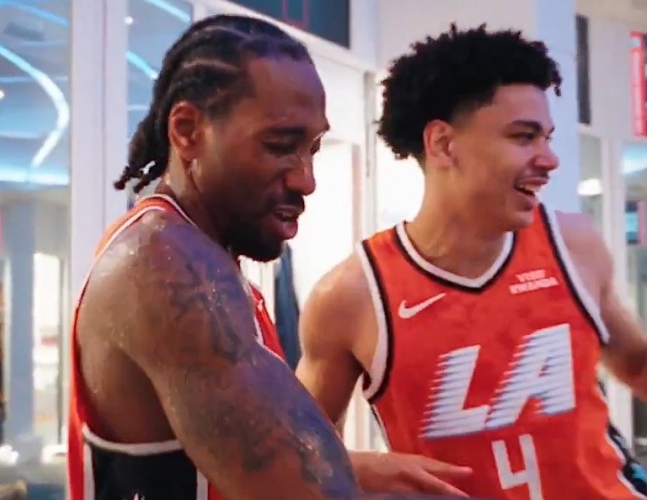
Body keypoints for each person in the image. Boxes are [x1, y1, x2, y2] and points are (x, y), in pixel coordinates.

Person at [66, 13, 476, 500]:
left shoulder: (197, 254)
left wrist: (359, 468)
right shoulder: (166, 265)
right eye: (280, 146)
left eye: (313, 148)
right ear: (188, 131)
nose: (306, 179)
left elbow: (234, 451)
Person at [296, 23, 647, 499]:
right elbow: (295, 454)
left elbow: (636, 364)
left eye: (547, 138)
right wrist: (362, 468)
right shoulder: (352, 295)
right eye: (524, 137)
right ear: (443, 143)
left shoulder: (572, 244)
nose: (550, 159)